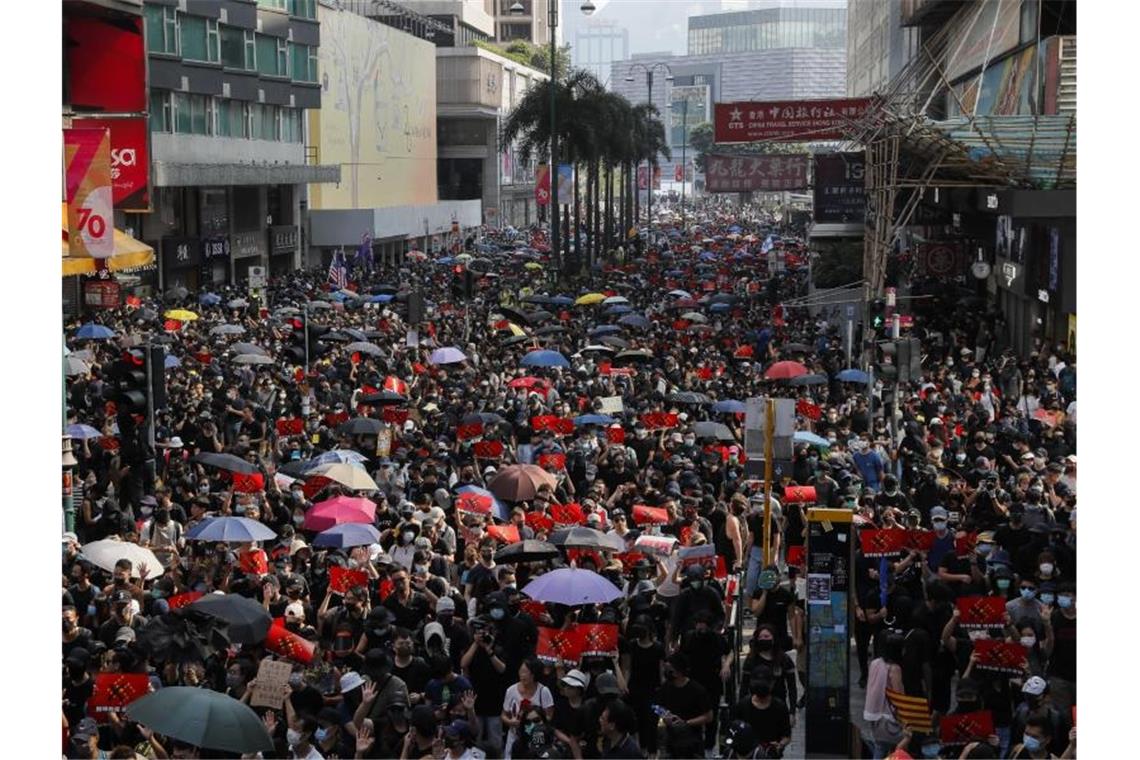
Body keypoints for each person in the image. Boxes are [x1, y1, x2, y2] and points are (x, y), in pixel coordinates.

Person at [501, 657, 554, 759]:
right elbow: (504, 714)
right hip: (514, 736)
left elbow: (549, 717)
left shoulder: (544, 691)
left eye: (525, 672)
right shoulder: (511, 690)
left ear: (534, 674)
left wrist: (532, 723)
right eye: (521, 671)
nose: (522, 675)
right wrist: (510, 722)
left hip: (537, 738)